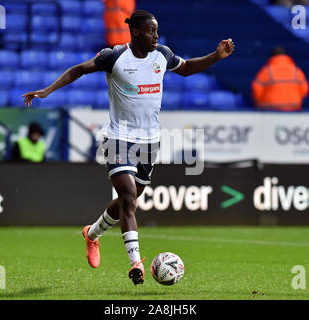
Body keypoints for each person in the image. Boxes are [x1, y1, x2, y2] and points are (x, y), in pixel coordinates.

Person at [22, 10, 234, 285]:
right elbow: (78, 69)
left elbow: (187, 68)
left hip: (150, 141)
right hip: (118, 138)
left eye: (157, 31)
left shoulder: (163, 55)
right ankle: (136, 262)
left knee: (129, 200)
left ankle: (92, 234)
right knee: (128, 197)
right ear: (135, 32)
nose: (156, 36)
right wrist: (47, 91)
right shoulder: (114, 57)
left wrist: (216, 56)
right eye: (151, 31)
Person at [251, 46, 309, 111]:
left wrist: (260, 102)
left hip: (270, 108)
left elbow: (256, 89)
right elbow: (305, 90)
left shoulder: (266, 71)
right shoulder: (296, 71)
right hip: (293, 107)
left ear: (272, 57)